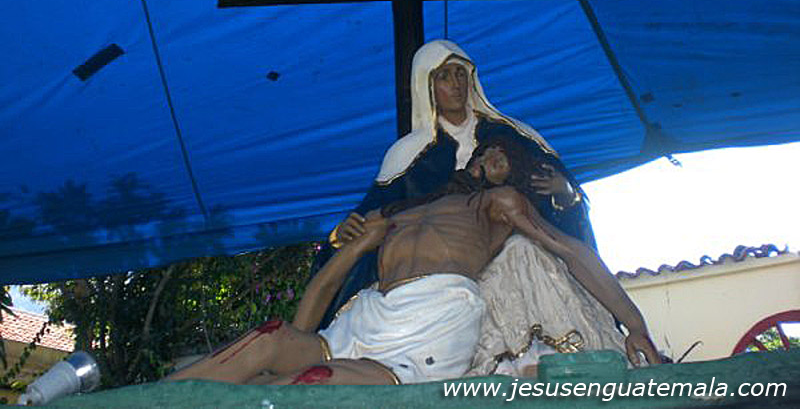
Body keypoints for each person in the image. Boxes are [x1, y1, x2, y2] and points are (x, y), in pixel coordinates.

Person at [168, 137, 659, 385]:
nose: (492, 157)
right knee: (268, 341)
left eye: (504, 157)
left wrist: (634, 325)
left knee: (311, 386)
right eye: (486, 152)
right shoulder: (397, 213)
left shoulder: (496, 205)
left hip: (430, 323)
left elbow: (571, 250)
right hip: (366, 315)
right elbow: (328, 282)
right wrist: (299, 336)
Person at [313, 39, 596, 328]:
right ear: (426, 85)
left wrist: (566, 194)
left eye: (460, 73)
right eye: (444, 76)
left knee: (522, 254)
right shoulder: (408, 154)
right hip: (441, 265)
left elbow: (557, 208)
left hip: (515, 259)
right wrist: (340, 235)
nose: (456, 84)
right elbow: (376, 215)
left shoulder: (514, 135)